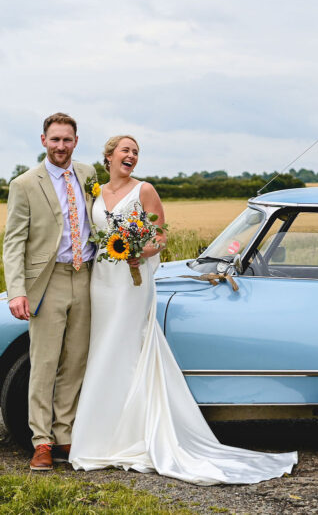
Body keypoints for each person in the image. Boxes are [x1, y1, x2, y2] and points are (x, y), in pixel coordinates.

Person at [69, 135, 297, 484]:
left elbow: (160, 237)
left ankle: (134, 433)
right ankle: (101, 434)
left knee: (128, 346)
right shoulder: (96, 192)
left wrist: (139, 251)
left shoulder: (144, 190)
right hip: (102, 282)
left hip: (133, 283)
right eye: (125, 150)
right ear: (109, 156)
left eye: (136, 152)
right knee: (103, 348)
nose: (131, 155)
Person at [3, 112, 96, 471]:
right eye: (55, 139)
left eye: (67, 140)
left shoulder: (88, 175)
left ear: (76, 141)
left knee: (75, 362)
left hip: (87, 277)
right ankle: (41, 441)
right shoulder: (25, 184)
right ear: (43, 141)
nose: (61, 146)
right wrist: (16, 291)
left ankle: (64, 435)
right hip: (48, 281)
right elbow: (13, 243)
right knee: (44, 363)